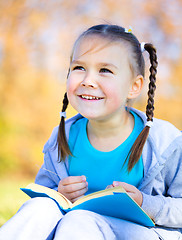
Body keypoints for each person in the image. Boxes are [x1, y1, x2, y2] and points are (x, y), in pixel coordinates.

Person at [0, 24, 182, 240]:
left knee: (80, 221)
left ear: (134, 86)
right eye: (79, 68)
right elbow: (43, 194)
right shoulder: (63, 137)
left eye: (105, 70)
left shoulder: (165, 142)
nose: (87, 80)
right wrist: (59, 194)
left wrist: (145, 203)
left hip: (133, 234)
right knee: (40, 207)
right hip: (72, 230)